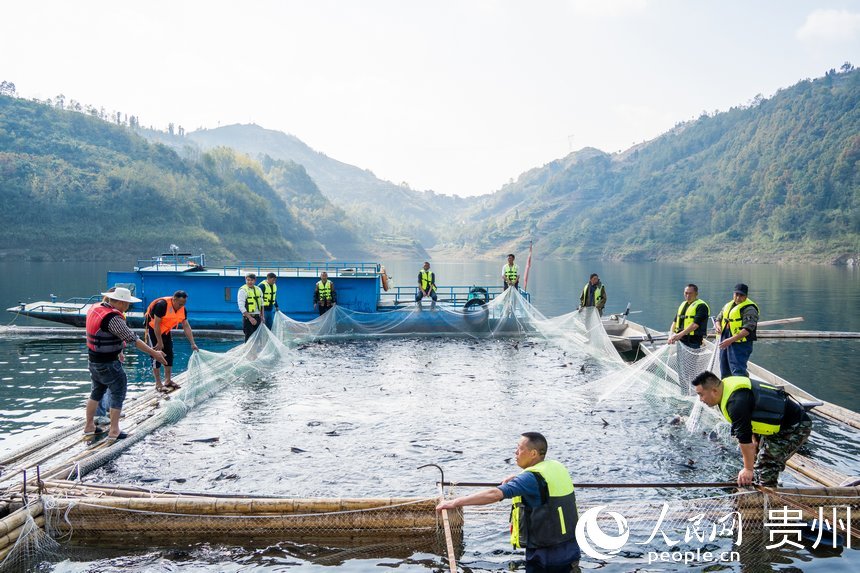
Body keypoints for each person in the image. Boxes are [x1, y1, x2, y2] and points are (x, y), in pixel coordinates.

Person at [436, 432, 581, 573]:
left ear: (533, 453)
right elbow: (542, 484)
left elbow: (494, 494)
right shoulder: (556, 467)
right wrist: (519, 478)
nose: (515, 452)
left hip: (546, 556)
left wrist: (455, 502)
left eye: (520, 448)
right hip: (570, 547)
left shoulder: (529, 478)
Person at [691, 371, 812, 487]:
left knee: (766, 464)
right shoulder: (725, 388)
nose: (700, 400)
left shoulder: (735, 403)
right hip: (774, 423)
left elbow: (745, 440)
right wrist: (754, 441)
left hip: (795, 426)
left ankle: (767, 494)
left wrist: (748, 469)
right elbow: (749, 419)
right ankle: (756, 481)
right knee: (755, 458)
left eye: (701, 395)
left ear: (714, 391)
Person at [84, 287, 166, 441]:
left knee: (96, 392)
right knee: (118, 392)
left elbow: (109, 334)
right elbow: (132, 338)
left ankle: (89, 426)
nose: (128, 307)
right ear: (121, 302)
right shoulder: (113, 318)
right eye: (127, 304)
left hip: (93, 361)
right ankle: (114, 430)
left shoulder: (96, 308)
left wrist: (119, 350)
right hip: (108, 363)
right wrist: (154, 353)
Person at [145, 290, 198, 393]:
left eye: (183, 304)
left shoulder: (183, 309)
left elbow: (186, 326)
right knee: (156, 355)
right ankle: (158, 384)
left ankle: (168, 381)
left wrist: (193, 343)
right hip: (153, 330)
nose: (181, 306)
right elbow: (156, 325)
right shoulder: (162, 305)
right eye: (180, 304)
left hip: (166, 330)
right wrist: (159, 342)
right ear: (174, 299)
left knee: (169, 353)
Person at [714, 283, 759, 377]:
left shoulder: (750, 309)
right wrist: (717, 326)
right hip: (725, 341)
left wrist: (730, 340)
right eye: (736, 294)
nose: (738, 298)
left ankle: (742, 385)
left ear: (746, 296)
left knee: (737, 370)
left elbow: (748, 329)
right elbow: (718, 318)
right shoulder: (728, 305)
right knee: (724, 368)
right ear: (733, 294)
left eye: (741, 295)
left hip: (740, 344)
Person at [667, 284, 710, 349]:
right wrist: (671, 335)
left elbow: (695, 325)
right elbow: (675, 322)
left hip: (693, 341)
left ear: (696, 294)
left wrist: (679, 335)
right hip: (681, 340)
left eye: (690, 293)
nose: (688, 295)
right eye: (686, 293)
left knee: (692, 355)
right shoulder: (683, 304)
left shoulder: (701, 306)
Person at [237, 273, 264, 342]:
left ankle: (257, 349)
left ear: (255, 281)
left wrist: (262, 316)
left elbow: (262, 304)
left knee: (258, 338)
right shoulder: (242, 290)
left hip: (258, 317)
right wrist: (250, 318)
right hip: (248, 319)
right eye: (248, 280)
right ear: (245, 280)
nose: (249, 282)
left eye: (251, 280)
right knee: (249, 339)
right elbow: (241, 306)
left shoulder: (258, 289)